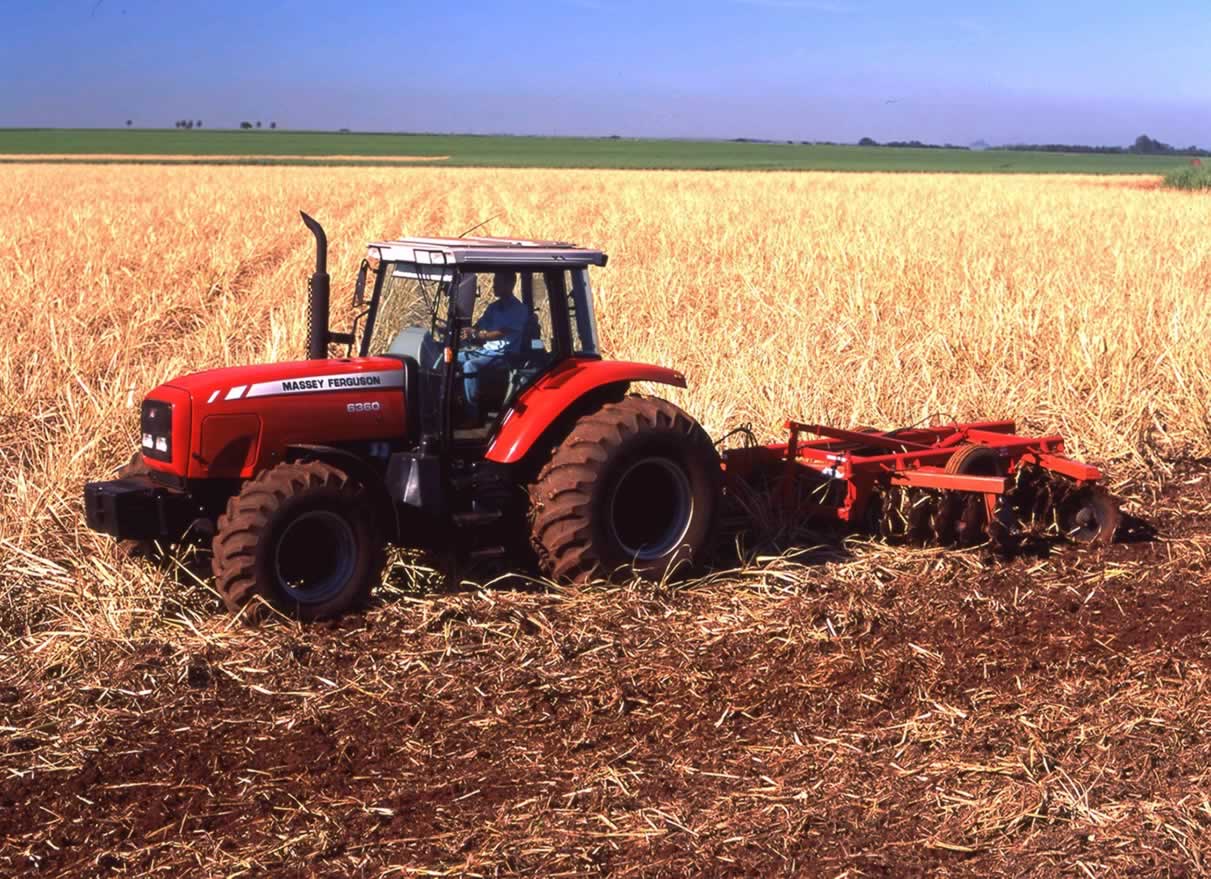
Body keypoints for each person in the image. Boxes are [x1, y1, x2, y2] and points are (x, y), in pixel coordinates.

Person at [457, 271, 531, 423]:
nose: (493, 286)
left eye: (497, 282)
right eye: (494, 282)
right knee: (450, 359)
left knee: (470, 365)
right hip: (486, 352)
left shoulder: (519, 310)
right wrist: (468, 331)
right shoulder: (493, 308)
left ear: (510, 284)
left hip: (504, 356)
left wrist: (479, 335)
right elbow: (479, 326)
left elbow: (501, 333)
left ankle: (472, 415)